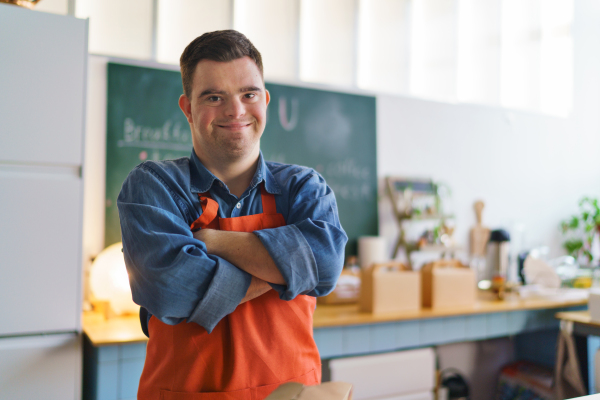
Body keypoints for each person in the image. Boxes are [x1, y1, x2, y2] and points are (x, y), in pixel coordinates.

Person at [117, 30, 347, 399]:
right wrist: (290, 270)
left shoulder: (304, 187)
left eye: (248, 94)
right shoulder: (154, 186)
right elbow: (175, 292)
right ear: (188, 108)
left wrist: (214, 242)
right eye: (213, 96)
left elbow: (326, 266)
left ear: (265, 101)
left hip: (291, 393)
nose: (235, 110)